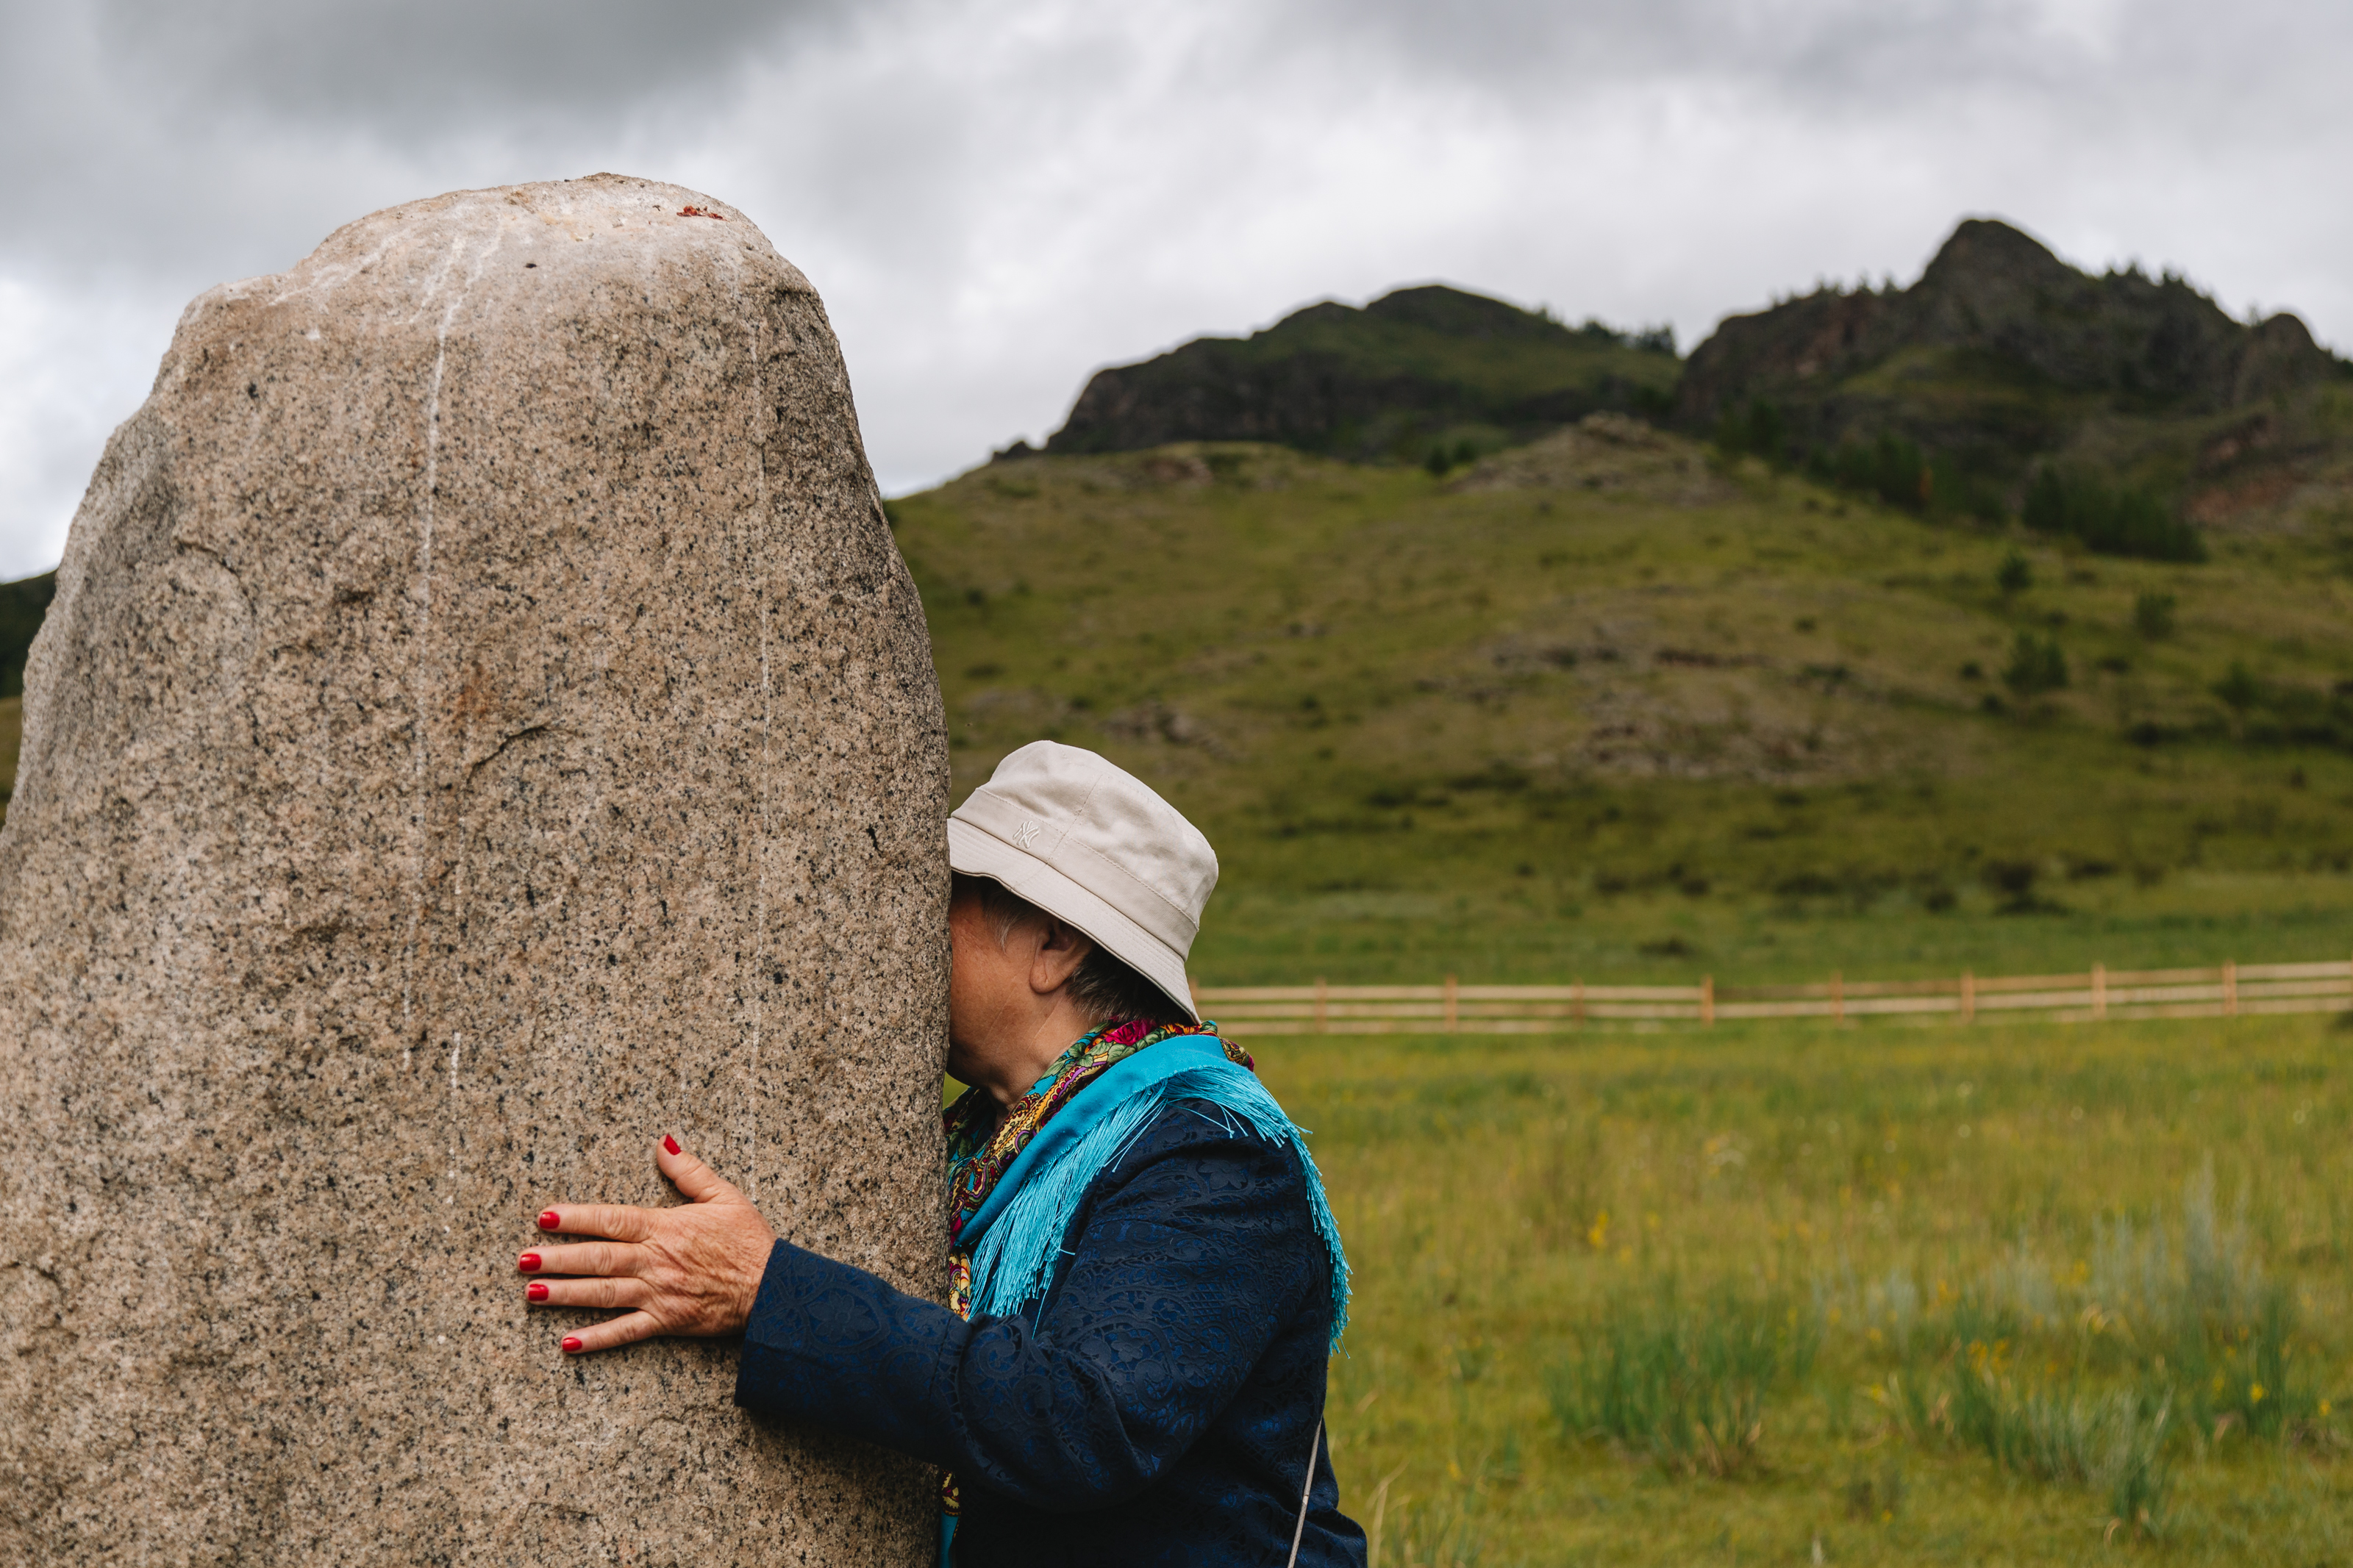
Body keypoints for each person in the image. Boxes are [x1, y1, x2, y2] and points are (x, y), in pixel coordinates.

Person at [515, 740, 1365, 1566]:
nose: (914, 933)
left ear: (1051, 948)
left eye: (946, 900)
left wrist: (762, 1289)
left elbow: (1082, 1426)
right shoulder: (995, 1133)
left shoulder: (1212, 1154)